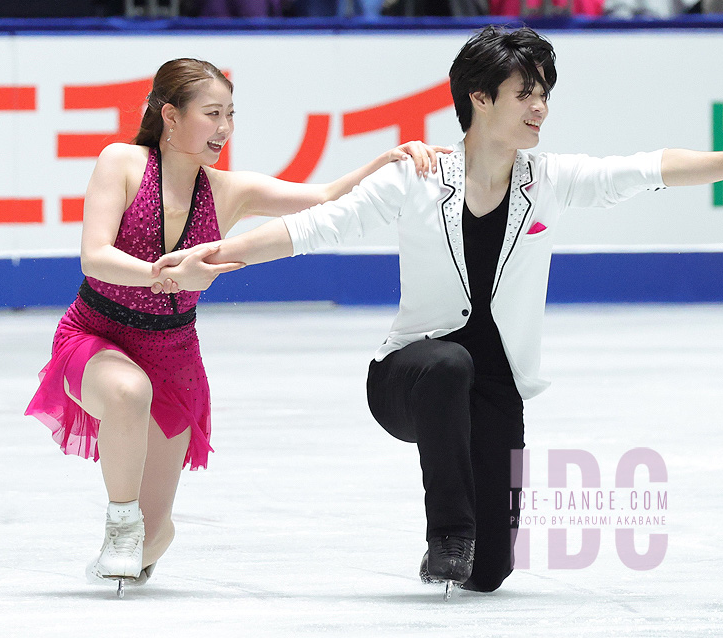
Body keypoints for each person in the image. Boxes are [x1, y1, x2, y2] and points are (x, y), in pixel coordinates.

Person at [152, 27, 723, 594]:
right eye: (525, 94)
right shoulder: (418, 177)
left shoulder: (548, 180)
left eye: (543, 95)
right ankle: (448, 530)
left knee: (492, 572)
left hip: (495, 386)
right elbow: (317, 227)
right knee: (447, 362)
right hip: (409, 379)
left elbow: (645, 168)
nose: (540, 109)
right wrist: (216, 256)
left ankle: (471, 544)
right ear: (479, 98)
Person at [24, 57, 446, 594]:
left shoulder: (228, 191)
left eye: (230, 115)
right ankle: (120, 525)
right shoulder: (123, 163)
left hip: (173, 356)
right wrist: (164, 276)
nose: (223, 129)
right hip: (96, 335)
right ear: (170, 117)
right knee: (128, 393)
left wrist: (390, 158)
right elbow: (95, 256)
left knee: (155, 536)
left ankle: (150, 535)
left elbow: (324, 196)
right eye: (212, 114)